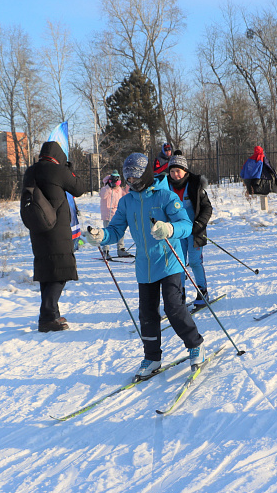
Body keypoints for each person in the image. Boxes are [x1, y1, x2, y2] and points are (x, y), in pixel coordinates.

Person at [85, 152, 205, 376]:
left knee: (174, 307)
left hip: (169, 261)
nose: (132, 182)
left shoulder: (165, 196)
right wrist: (102, 235)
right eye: (128, 178)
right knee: (147, 313)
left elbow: (185, 225)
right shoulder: (127, 201)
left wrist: (169, 229)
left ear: (146, 175)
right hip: (144, 266)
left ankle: (195, 345)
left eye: (136, 178)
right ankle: (152, 358)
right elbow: (116, 230)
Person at [23, 141, 86, 332]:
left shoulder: (30, 171)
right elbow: (79, 188)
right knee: (61, 271)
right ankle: (47, 318)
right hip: (57, 230)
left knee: (47, 271)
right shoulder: (58, 171)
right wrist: (70, 170)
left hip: (37, 227)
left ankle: (52, 313)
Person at [167, 154, 213, 306]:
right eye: (172, 171)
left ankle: (202, 291)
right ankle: (180, 294)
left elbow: (207, 207)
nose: (175, 175)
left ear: (185, 170)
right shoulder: (165, 187)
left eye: (178, 171)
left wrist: (200, 224)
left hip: (195, 231)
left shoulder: (195, 185)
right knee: (178, 263)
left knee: (194, 262)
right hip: (176, 232)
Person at [99, 171, 131, 259]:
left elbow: (126, 195)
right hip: (108, 214)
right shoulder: (106, 188)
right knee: (107, 232)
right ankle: (105, 250)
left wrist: (129, 185)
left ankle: (121, 249)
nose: (116, 185)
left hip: (118, 214)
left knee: (120, 231)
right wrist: (109, 186)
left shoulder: (119, 189)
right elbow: (103, 196)